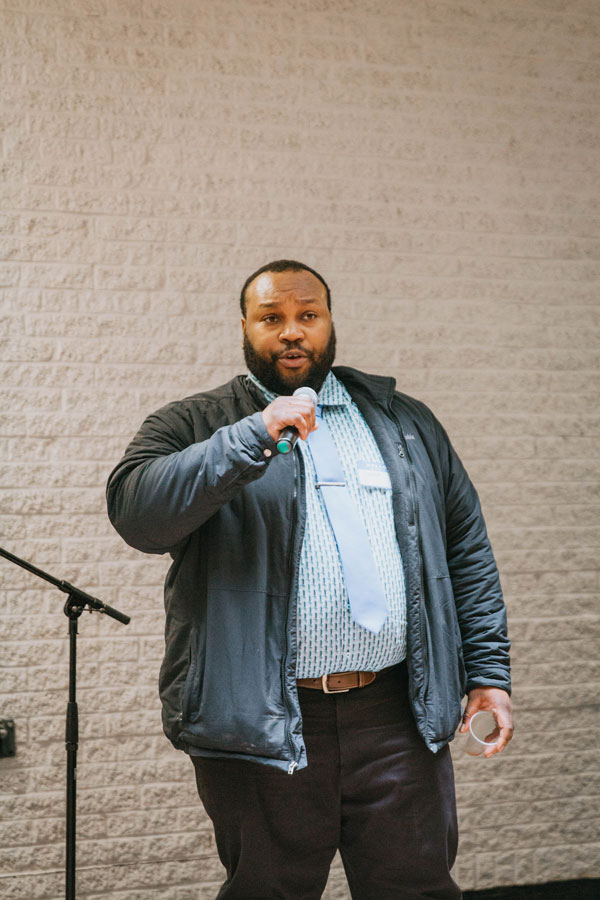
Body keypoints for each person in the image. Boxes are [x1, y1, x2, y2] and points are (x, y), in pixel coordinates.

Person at [106, 259, 513, 900]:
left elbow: (466, 551)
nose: (291, 332)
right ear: (245, 327)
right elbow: (137, 513)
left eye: (307, 316)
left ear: (329, 322)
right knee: (270, 890)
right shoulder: (196, 423)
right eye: (272, 318)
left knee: (418, 888)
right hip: (265, 722)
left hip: (396, 714)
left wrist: (488, 672)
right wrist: (250, 436)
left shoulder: (406, 423)